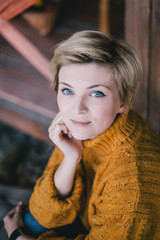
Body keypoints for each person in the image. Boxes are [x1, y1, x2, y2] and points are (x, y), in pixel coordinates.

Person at [3, 30, 160, 240]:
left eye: (96, 93)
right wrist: (70, 157)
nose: (77, 108)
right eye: (68, 91)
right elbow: (43, 212)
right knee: (32, 221)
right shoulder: (92, 128)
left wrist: (18, 237)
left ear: (124, 101)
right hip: (89, 216)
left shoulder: (132, 187)